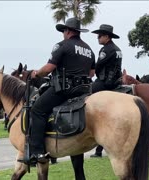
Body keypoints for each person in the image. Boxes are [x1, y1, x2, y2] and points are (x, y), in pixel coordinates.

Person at [29, 17, 95, 163]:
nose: (63, 34)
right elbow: (91, 73)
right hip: (83, 91)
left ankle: (37, 152)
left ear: (68, 31)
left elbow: (49, 68)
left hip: (64, 90)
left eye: (64, 31)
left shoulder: (62, 45)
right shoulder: (89, 50)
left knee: (37, 110)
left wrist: (36, 73)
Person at [89, 24, 122, 158]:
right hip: (116, 82)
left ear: (107, 37)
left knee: (84, 96)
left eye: (100, 35)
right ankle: (98, 150)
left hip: (104, 83)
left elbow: (98, 66)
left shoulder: (106, 49)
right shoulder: (117, 49)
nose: (98, 37)